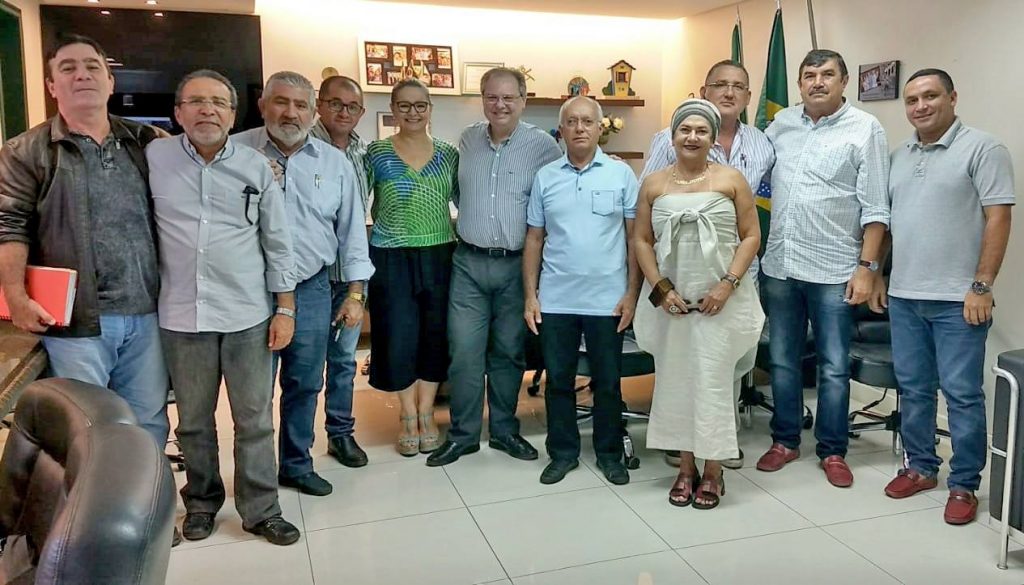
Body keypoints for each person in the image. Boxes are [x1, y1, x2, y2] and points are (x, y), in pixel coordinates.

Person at [149, 69, 300, 545]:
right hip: (181, 315)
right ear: (178, 113)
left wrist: (285, 309)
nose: (207, 110)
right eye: (196, 101)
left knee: (254, 419)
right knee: (193, 421)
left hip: (247, 315)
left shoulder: (256, 167)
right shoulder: (154, 158)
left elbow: (278, 242)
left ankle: (261, 509)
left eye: (218, 102)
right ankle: (201, 502)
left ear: (233, 115)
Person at [0, 34, 170, 447]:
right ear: (52, 85)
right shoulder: (25, 152)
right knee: (89, 431)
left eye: (93, 67)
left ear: (110, 82)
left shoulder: (146, 143)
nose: (82, 75)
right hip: (78, 321)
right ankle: (96, 494)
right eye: (68, 68)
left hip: (148, 313)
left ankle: (147, 493)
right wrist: (16, 297)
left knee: (148, 423)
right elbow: (9, 226)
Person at [881, 68, 1014, 525]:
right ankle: (920, 467)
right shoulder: (898, 156)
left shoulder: (984, 148)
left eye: (931, 96)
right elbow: (889, 222)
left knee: (961, 394)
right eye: (912, 99)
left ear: (952, 98)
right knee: (914, 389)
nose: (920, 106)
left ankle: (964, 484)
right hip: (904, 296)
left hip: (960, 300)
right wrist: (877, 274)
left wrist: (982, 285)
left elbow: (999, 218)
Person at [754, 49, 890, 488]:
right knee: (782, 360)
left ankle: (832, 450)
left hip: (835, 270)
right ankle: (785, 440)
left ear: (844, 81)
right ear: (799, 84)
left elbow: (877, 208)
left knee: (833, 365)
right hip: (781, 265)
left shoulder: (865, 128)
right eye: (809, 75)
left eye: (827, 74)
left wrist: (867, 267)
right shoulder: (781, 124)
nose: (817, 82)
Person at [235, 71, 373, 497]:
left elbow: (352, 232)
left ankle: (296, 464)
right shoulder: (236, 153)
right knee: (253, 392)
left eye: (300, 105)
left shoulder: (334, 163)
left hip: (311, 288)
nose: (290, 113)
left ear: (311, 112)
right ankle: (255, 478)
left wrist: (355, 293)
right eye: (281, 102)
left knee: (305, 382)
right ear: (263, 105)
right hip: (250, 290)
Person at [638, 59, 775, 470]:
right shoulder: (656, 182)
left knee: (717, 377)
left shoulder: (735, 175)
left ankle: (714, 464)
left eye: (701, 131)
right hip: (673, 294)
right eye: (685, 129)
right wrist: (660, 288)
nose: (692, 136)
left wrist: (726, 284)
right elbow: (641, 237)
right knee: (676, 377)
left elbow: (751, 235)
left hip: (725, 292)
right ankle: (684, 463)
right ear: (673, 136)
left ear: (711, 138)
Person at [427, 67, 562, 467]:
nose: (499, 105)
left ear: (523, 100)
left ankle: (504, 431)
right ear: (482, 99)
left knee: (508, 352)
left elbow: (561, 191)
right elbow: (456, 191)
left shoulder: (543, 146)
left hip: (517, 266)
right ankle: (464, 436)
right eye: (491, 97)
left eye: (508, 97)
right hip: (468, 263)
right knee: (464, 353)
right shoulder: (468, 139)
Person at [523, 96, 640, 486]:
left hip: (608, 300)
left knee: (607, 382)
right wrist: (531, 295)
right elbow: (534, 238)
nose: (579, 128)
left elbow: (634, 238)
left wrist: (631, 294)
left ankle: (609, 454)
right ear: (561, 130)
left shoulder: (621, 175)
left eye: (587, 121)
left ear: (599, 128)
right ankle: (562, 453)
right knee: (559, 381)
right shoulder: (546, 177)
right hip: (557, 299)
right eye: (571, 122)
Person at [364, 79, 458, 456]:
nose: (413, 112)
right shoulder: (376, 152)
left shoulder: (449, 154)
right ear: (393, 109)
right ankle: (406, 414)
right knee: (398, 335)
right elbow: (355, 200)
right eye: (404, 105)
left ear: (431, 109)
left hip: (439, 253)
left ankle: (427, 412)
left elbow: (466, 199)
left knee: (435, 334)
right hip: (390, 256)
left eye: (420, 105)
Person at [311, 75, 372, 468]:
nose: (344, 112)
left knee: (344, 361)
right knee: (304, 367)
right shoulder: (303, 148)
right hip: (310, 277)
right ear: (319, 104)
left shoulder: (363, 152)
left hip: (351, 276)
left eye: (352, 107)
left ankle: (340, 434)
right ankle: (296, 445)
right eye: (335, 103)